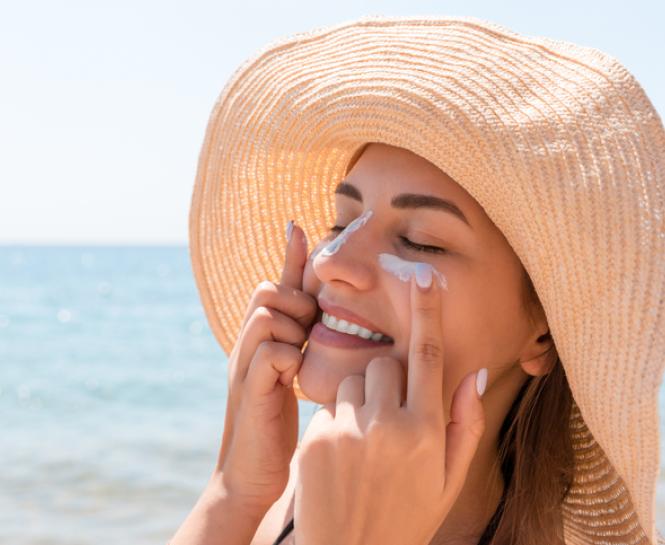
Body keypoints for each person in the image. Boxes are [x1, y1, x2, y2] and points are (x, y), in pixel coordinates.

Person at [170, 14, 665, 545]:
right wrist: (235, 491)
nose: (332, 260)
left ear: (543, 333)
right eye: (340, 223)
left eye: (423, 241)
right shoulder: (301, 484)